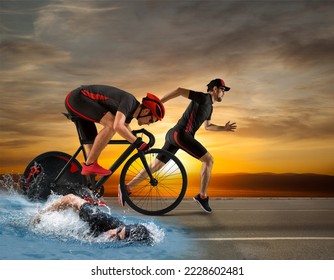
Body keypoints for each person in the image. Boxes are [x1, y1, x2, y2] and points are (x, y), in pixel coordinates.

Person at [119, 78, 236, 213]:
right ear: (215, 89)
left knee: (155, 166)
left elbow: (208, 127)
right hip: (181, 134)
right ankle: (202, 196)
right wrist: (157, 104)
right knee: (209, 160)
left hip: (174, 135)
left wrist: (224, 128)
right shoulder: (204, 98)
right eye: (223, 90)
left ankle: (127, 188)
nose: (224, 93)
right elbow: (180, 91)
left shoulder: (209, 107)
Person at [65, 85, 165, 176]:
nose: (148, 124)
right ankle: (89, 164)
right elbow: (118, 126)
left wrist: (135, 139)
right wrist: (138, 142)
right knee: (112, 124)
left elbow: (125, 127)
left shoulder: (130, 112)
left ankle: (88, 187)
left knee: (92, 153)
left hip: (82, 102)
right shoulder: (129, 101)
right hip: (78, 98)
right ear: (146, 111)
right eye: (151, 120)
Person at [32, 194, 153, 243]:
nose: (112, 236)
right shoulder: (98, 219)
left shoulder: (132, 237)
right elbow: (69, 198)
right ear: (119, 227)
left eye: (117, 238)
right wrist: (42, 214)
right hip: (82, 214)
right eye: (116, 232)